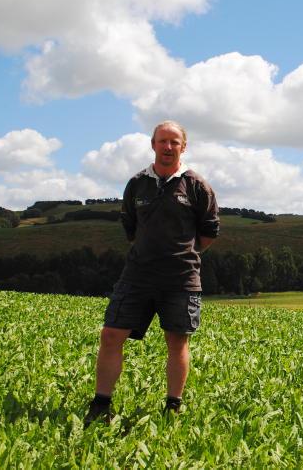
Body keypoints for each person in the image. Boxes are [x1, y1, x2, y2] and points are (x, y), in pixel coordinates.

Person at [84, 120, 220, 426]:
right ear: (153, 144)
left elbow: (209, 231)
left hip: (181, 279)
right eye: (162, 141)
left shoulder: (196, 185)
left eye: (174, 142)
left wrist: (183, 254)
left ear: (184, 147)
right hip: (137, 276)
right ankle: (101, 405)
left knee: (177, 341)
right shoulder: (137, 184)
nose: (168, 147)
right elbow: (130, 228)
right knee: (111, 335)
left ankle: (173, 407)